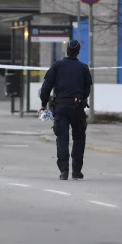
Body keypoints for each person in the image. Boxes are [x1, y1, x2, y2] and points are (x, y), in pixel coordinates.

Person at [39, 39, 93, 180]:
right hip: (77, 107)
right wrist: (82, 98)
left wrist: (44, 104)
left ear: (66, 51)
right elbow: (88, 89)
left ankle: (64, 170)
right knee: (79, 138)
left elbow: (46, 87)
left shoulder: (57, 66)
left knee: (62, 138)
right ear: (78, 52)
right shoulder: (83, 68)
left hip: (61, 107)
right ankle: (76, 170)